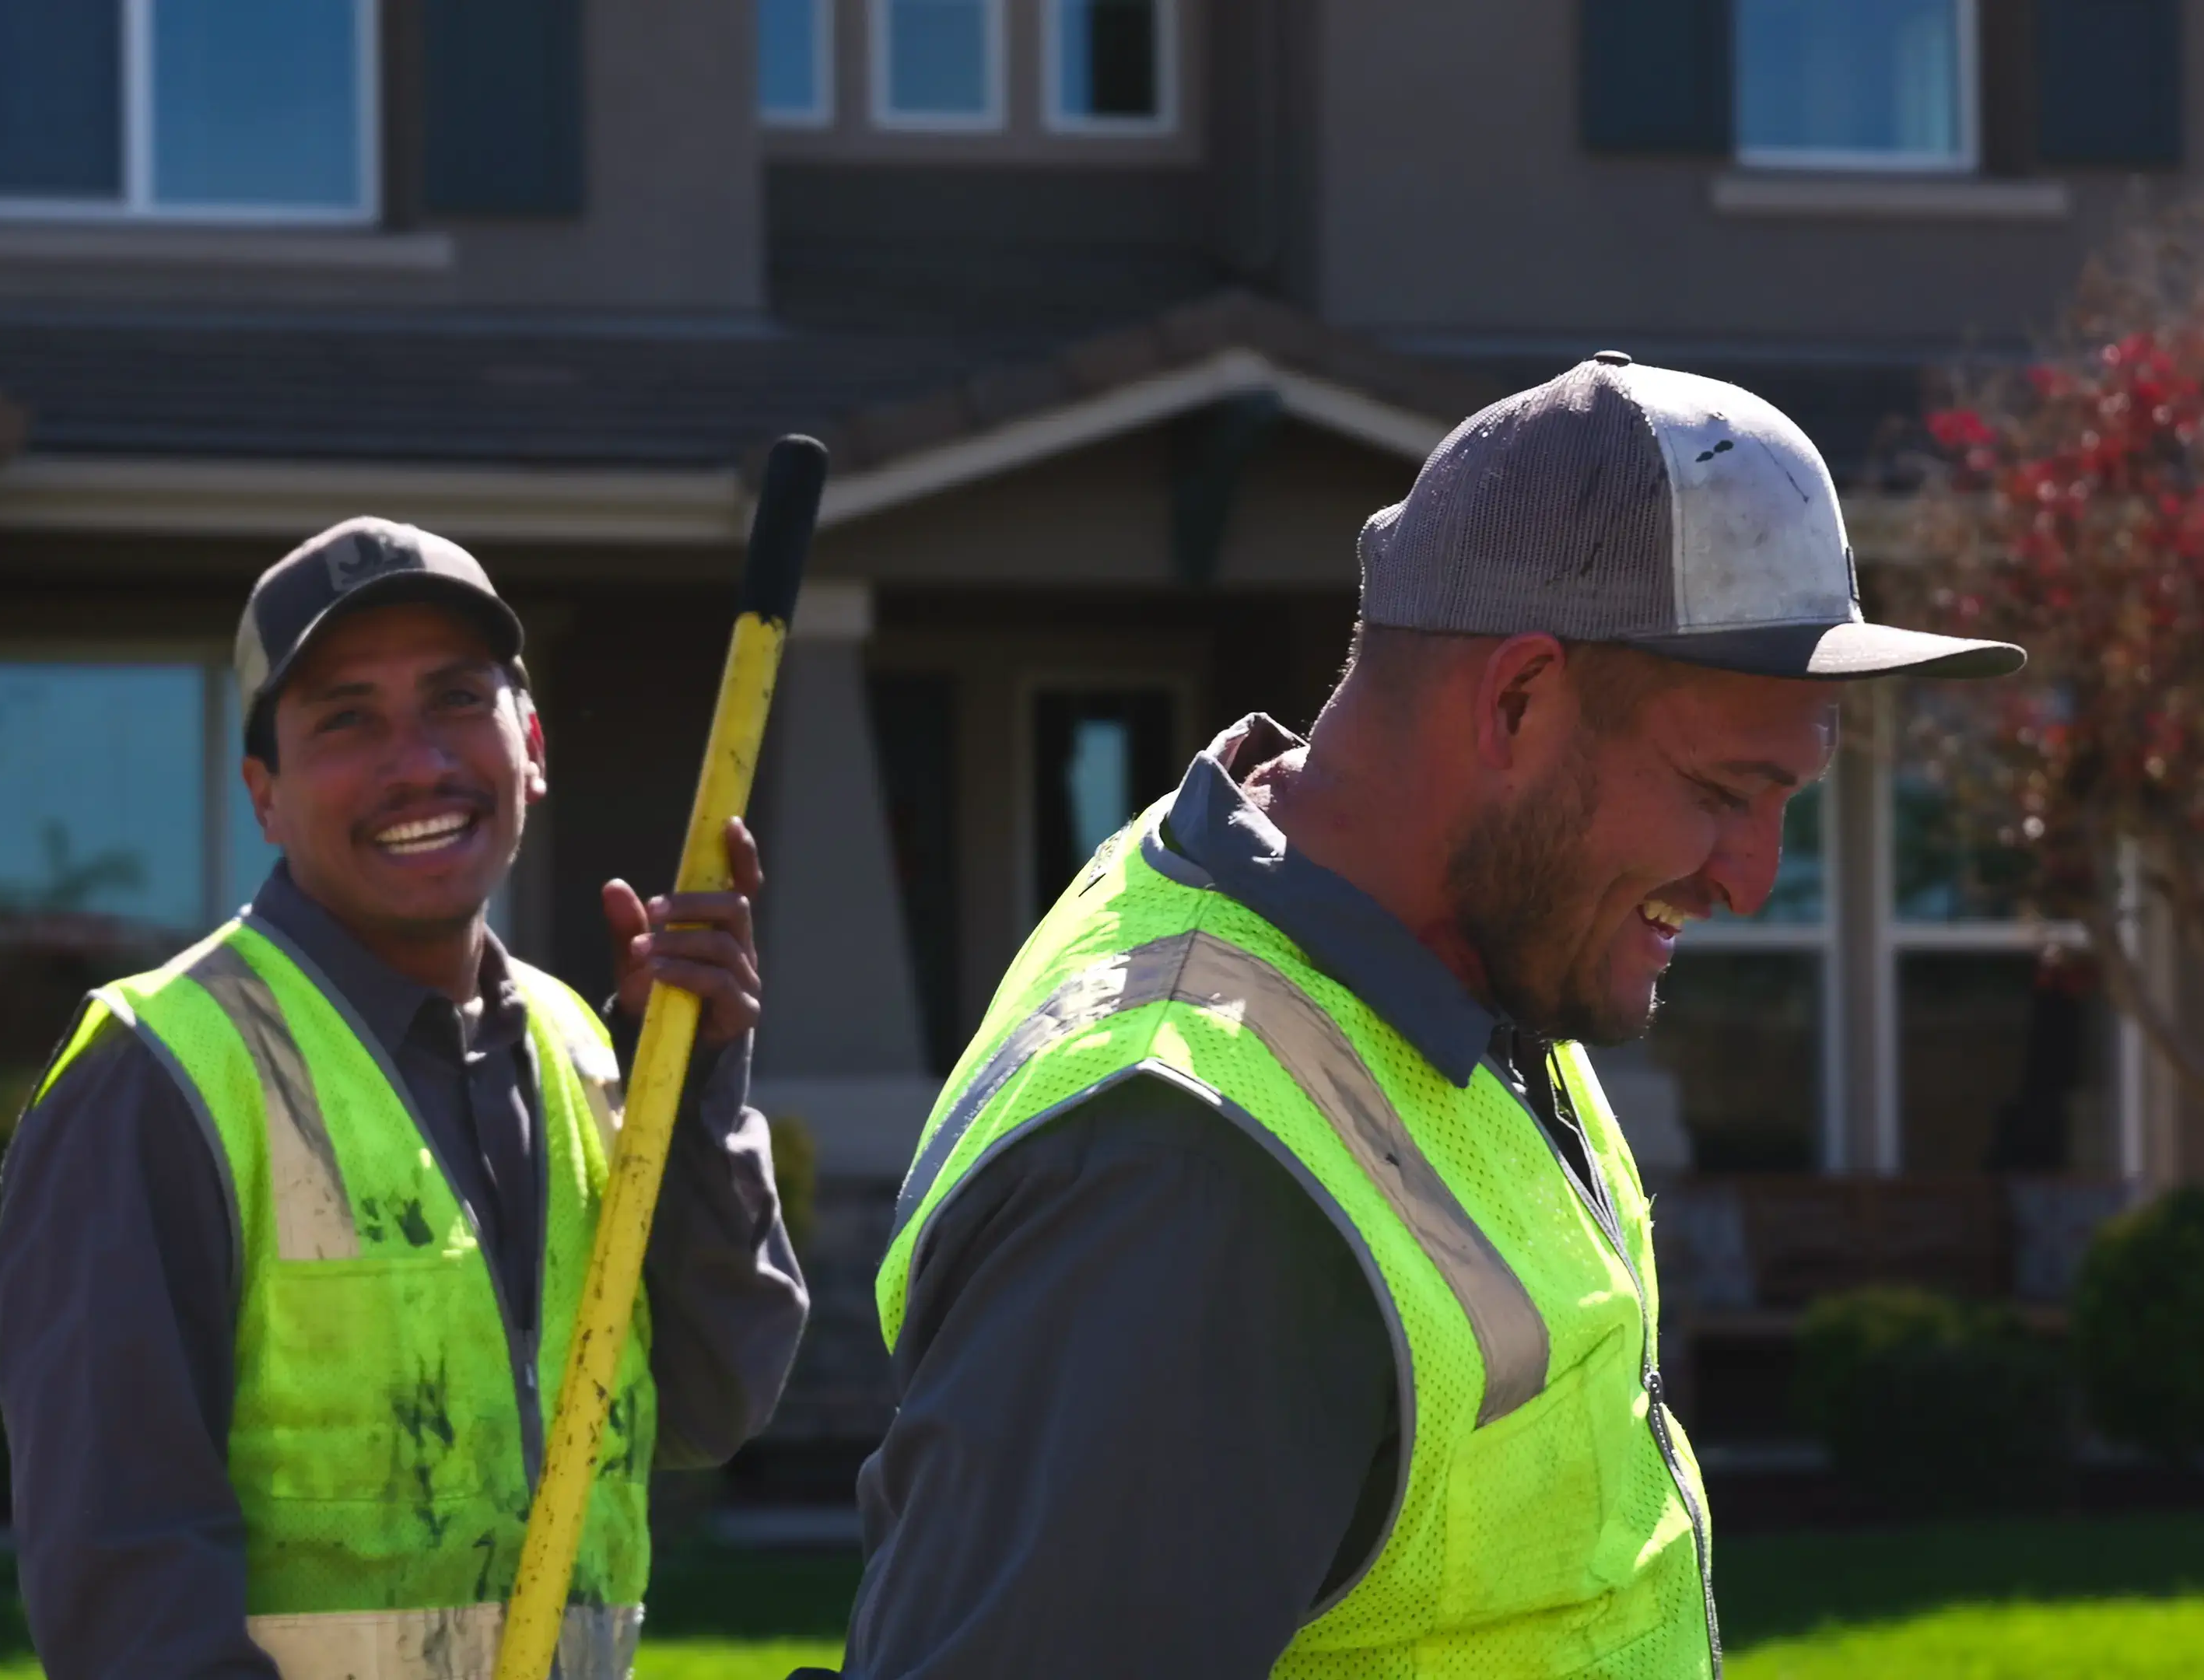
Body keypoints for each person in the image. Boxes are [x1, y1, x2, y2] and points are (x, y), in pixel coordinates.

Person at [832, 355, 2023, 1678]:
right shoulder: (1186, 1174)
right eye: (1718, 789)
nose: (1750, 876)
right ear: (1515, 701)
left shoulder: (1467, 961)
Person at [0, 518, 808, 1679]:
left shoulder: (583, 1050)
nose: (416, 762)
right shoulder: (156, 1072)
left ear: (530, 744)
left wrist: (696, 1082)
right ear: (262, 795)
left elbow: (711, 1406)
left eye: (455, 701)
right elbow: (126, 1587)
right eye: (344, 718)